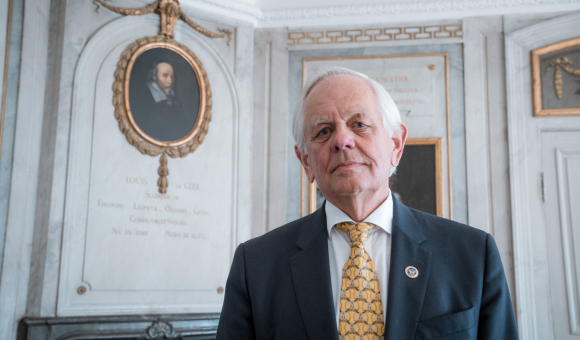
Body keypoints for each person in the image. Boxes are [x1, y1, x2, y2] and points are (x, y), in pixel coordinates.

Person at [216, 67, 518, 339]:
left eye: (359, 124)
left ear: (396, 145)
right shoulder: (255, 265)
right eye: (324, 131)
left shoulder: (474, 255)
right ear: (306, 161)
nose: (342, 140)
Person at [129, 60, 194, 142]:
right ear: (154, 76)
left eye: (172, 76)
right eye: (165, 75)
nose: (170, 81)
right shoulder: (142, 97)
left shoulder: (174, 99)